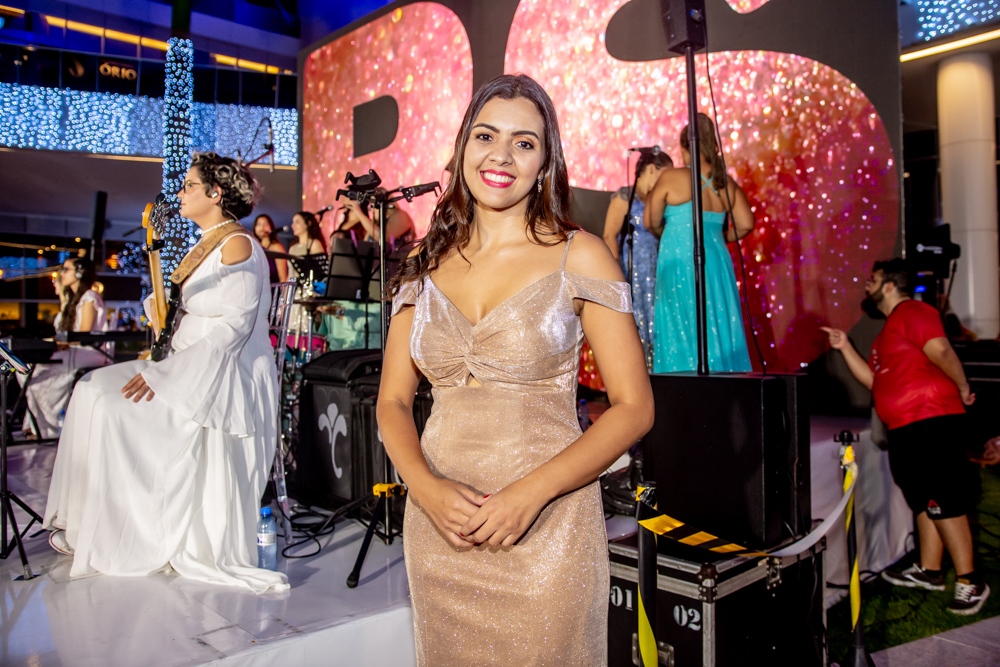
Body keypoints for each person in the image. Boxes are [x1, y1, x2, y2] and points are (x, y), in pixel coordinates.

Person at [378, 74, 654, 665]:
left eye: (524, 143)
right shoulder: (423, 262)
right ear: (462, 148)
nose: (500, 155)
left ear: (545, 162)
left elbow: (634, 408)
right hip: (439, 532)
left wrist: (530, 495)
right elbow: (393, 402)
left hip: (546, 529)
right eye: (486, 136)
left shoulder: (580, 254)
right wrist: (423, 487)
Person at [42, 152, 288, 594]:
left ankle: (130, 532)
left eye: (189, 185)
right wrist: (162, 324)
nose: (181, 192)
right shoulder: (206, 243)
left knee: (112, 407)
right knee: (90, 386)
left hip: (218, 377)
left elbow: (232, 329)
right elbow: (188, 313)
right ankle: (83, 525)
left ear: (215, 193)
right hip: (185, 363)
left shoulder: (237, 243)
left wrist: (168, 374)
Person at [821, 259, 990, 615]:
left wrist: (962, 387)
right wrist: (845, 346)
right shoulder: (887, 333)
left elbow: (941, 351)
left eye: (873, 279)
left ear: (889, 285)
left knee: (943, 498)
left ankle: (970, 580)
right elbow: (874, 381)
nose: (866, 285)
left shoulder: (914, 311)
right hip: (904, 426)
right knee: (923, 499)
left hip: (930, 419)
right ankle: (929, 570)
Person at [644, 113, 755, 373]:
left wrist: (670, 234)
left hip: (680, 260)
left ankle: (684, 387)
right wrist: (716, 237)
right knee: (717, 321)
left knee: (681, 326)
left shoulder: (672, 178)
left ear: (686, 147)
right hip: (716, 262)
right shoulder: (725, 182)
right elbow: (746, 223)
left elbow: (650, 220)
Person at [23, 257, 109, 439]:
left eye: (66, 269)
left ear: (80, 272)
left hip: (89, 352)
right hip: (73, 351)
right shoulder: (72, 299)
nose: (61, 274)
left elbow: (83, 335)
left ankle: (46, 429)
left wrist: (61, 344)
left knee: (40, 372)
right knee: (27, 370)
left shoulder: (90, 297)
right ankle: (38, 425)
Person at [602, 150, 673, 368]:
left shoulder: (660, 199)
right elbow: (609, 235)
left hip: (658, 268)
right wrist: (616, 274)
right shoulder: (625, 196)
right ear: (651, 169)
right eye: (666, 174)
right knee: (637, 319)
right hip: (633, 270)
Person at [334, 187, 415, 252]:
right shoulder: (375, 225)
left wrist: (359, 213)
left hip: (400, 264)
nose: (371, 210)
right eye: (370, 206)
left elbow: (385, 238)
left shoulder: (400, 215)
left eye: (373, 205)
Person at [286, 210, 327, 339]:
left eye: (297, 222)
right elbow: (290, 275)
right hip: (295, 293)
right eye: (293, 222)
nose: (293, 225)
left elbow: (320, 274)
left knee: (306, 329)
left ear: (308, 223)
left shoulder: (314, 244)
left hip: (308, 292)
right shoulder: (292, 248)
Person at [252, 213, 287, 283]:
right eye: (259, 224)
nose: (262, 227)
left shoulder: (276, 247)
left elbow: (282, 277)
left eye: (265, 224)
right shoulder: (254, 247)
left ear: (271, 227)